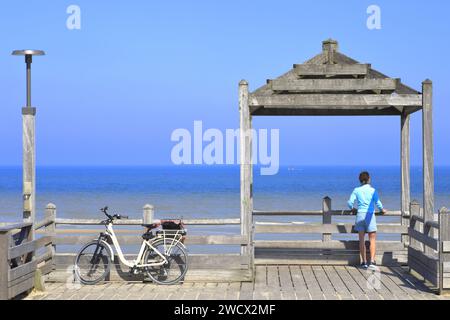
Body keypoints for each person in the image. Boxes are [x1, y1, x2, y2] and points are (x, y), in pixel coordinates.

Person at [347, 171, 387, 270]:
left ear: (360, 180)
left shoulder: (356, 190)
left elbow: (349, 202)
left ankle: (364, 262)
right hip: (370, 215)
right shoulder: (373, 190)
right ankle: (372, 261)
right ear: (369, 179)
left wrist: (352, 208)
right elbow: (378, 203)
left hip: (360, 214)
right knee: (372, 239)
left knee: (361, 240)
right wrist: (382, 210)